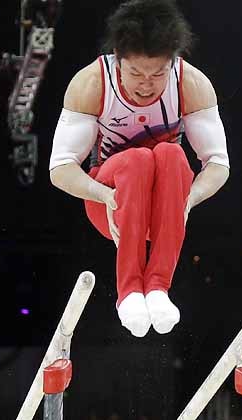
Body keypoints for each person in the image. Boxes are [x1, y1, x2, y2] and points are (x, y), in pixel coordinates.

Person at [49, 0, 230, 337]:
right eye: (135, 73)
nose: (146, 84)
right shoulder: (92, 83)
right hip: (109, 205)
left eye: (157, 74)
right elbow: (60, 168)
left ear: (172, 61)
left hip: (164, 211)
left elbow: (218, 164)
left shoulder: (191, 83)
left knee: (171, 155)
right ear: (118, 57)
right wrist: (105, 195)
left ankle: (159, 287)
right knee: (138, 159)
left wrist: (187, 200)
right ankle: (129, 291)